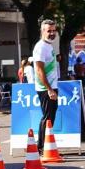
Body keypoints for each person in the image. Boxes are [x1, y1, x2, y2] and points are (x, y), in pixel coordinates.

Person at [32, 20, 60, 154]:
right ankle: (41, 147)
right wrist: (49, 89)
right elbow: (39, 70)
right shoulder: (41, 47)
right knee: (48, 117)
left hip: (52, 86)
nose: (52, 33)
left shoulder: (49, 46)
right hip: (45, 89)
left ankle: (45, 145)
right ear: (42, 31)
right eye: (49, 31)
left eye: (54, 30)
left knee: (51, 117)